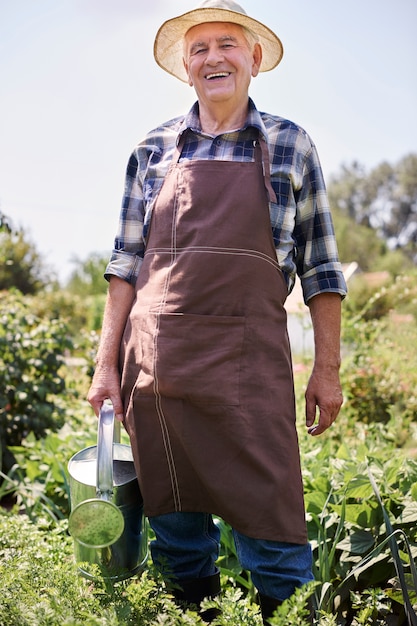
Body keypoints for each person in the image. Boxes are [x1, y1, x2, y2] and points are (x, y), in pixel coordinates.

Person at [88, 1, 347, 623]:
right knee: (178, 546)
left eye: (228, 44)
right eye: (199, 49)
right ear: (185, 66)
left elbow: (322, 269)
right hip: (158, 373)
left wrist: (328, 369)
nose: (214, 58)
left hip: (247, 370)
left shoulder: (289, 144)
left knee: (278, 545)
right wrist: (105, 369)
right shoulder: (152, 151)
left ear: (253, 59)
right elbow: (125, 265)